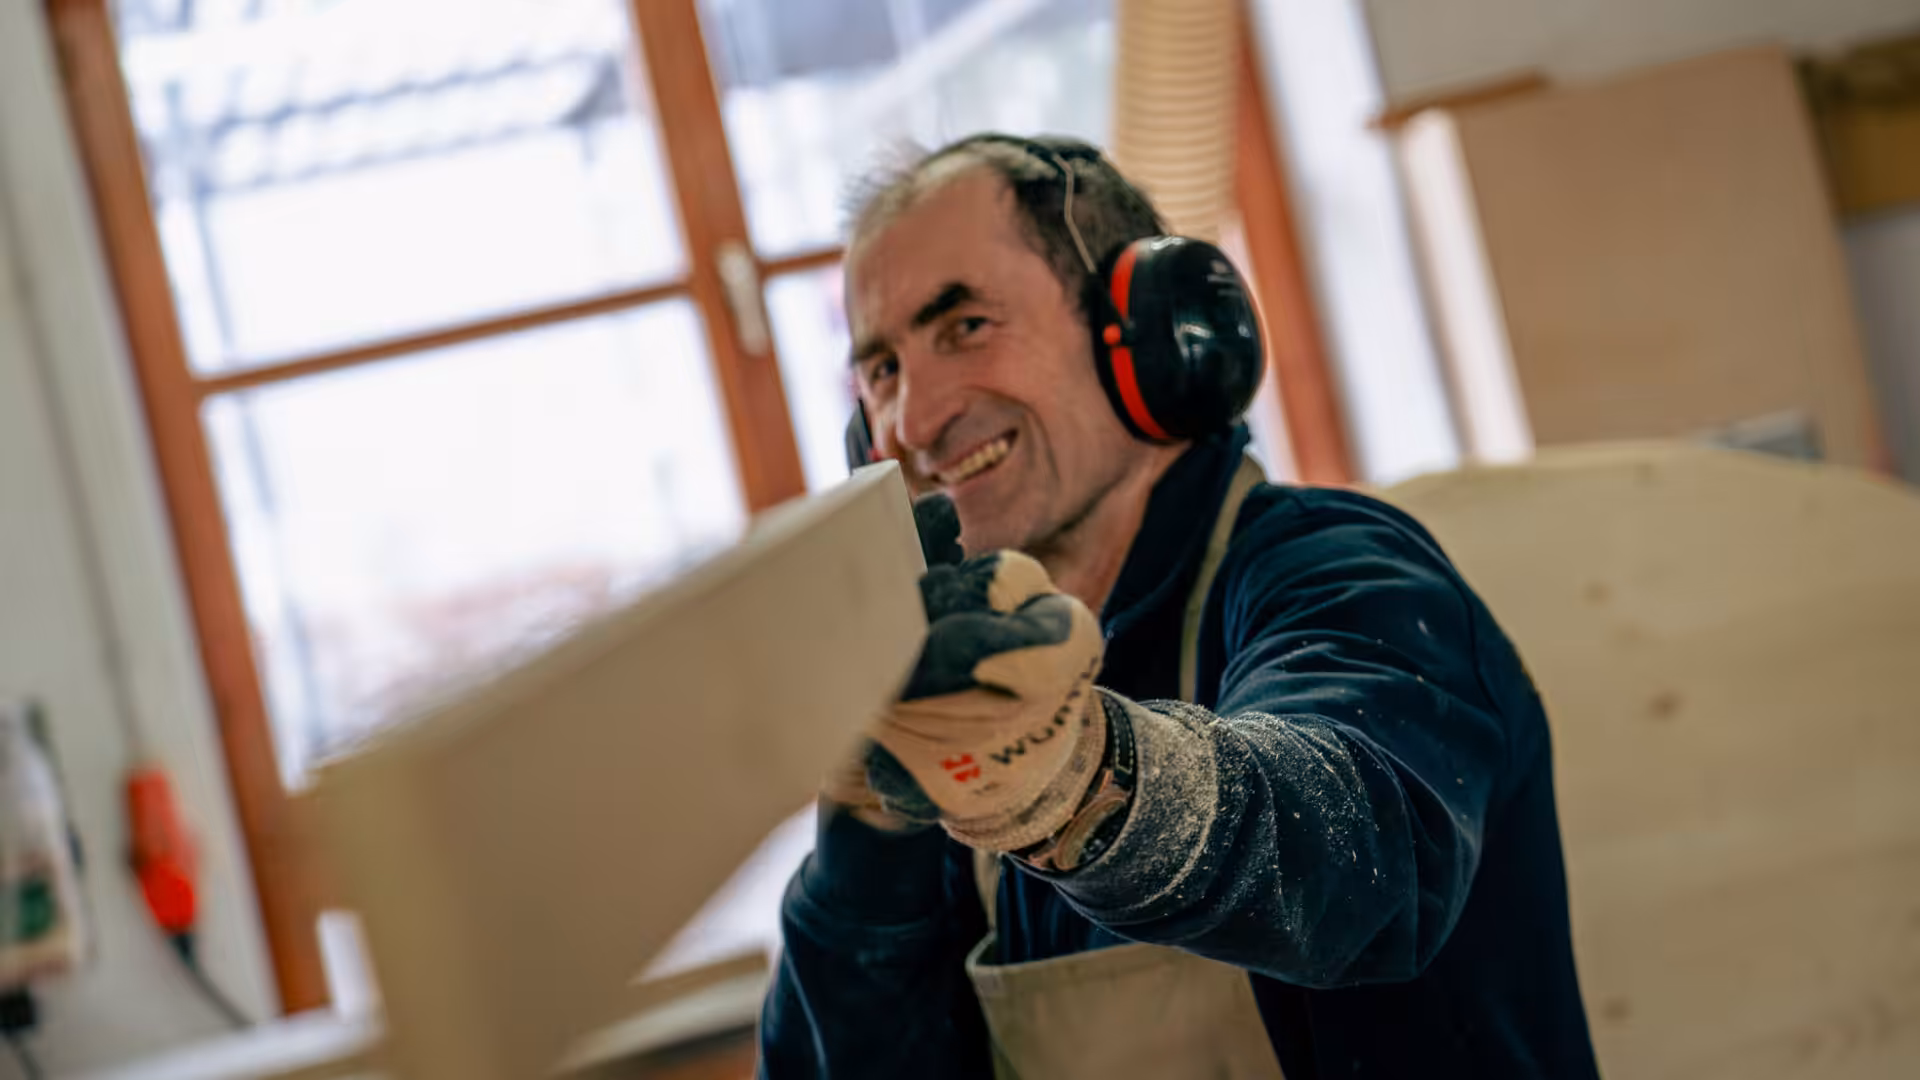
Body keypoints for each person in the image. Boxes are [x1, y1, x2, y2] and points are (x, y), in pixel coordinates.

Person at [759, 133, 1600, 1079]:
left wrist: (1077, 785)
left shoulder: (1339, 573)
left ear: (1149, 337)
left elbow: (1361, 855)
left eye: (965, 328)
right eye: (881, 371)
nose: (911, 423)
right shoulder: (959, 709)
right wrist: (868, 841)